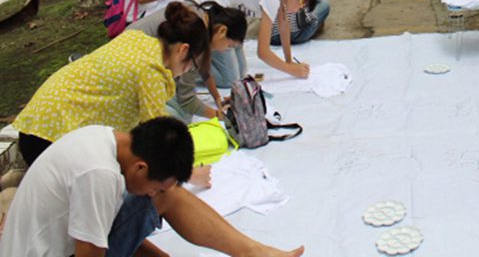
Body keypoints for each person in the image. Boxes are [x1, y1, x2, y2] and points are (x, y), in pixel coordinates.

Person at [0, 117, 304, 257]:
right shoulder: (100, 175)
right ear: (141, 167)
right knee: (167, 199)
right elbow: (91, 253)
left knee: (165, 197)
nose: (151, 195)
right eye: (154, 187)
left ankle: (253, 253)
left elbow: (108, 233)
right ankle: (253, 254)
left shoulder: (106, 141)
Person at [13, 2, 209, 166]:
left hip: (35, 124)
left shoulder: (137, 38)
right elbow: (158, 141)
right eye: (192, 65)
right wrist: (189, 173)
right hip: (51, 140)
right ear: (183, 50)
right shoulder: (152, 72)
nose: (187, 71)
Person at [191, 0, 316, 86]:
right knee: (229, 79)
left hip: (223, 9)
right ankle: (190, 63)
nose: (299, 9)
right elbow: (263, 52)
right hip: (206, 7)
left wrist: (289, 61)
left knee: (241, 72)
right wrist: (292, 70)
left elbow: (283, 24)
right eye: (302, 4)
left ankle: (201, 55)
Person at [129, 1, 247, 122]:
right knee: (180, 116)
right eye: (229, 46)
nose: (223, 51)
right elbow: (187, 100)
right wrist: (221, 117)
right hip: (133, 70)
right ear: (222, 31)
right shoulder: (196, 35)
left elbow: (204, 69)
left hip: (126, 47)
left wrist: (217, 98)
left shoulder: (201, 17)